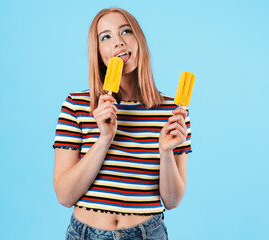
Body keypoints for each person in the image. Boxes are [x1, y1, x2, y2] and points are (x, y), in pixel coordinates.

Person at [53, 7, 192, 240]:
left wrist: (166, 152)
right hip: (86, 233)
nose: (118, 42)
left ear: (139, 40)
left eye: (126, 31)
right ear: (98, 52)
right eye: (105, 37)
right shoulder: (76, 106)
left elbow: (173, 200)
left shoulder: (174, 113)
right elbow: (65, 196)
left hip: (148, 233)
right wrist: (104, 138)